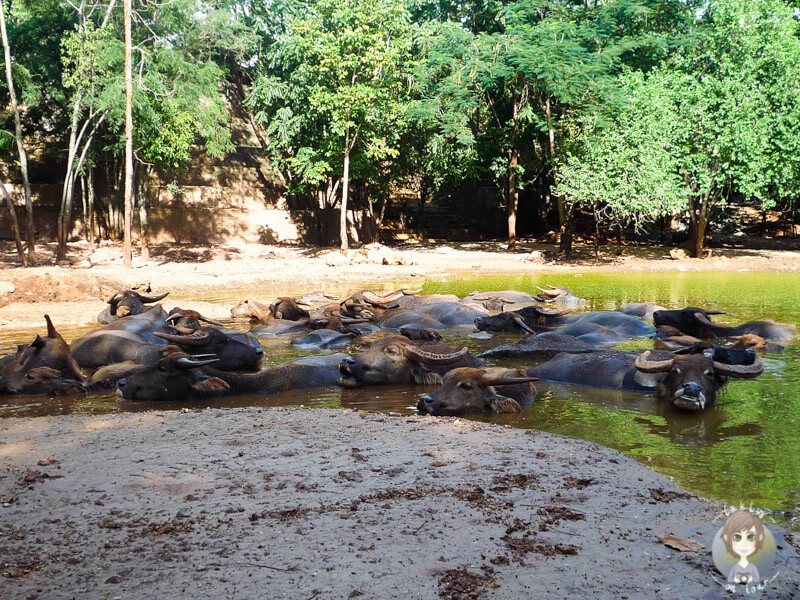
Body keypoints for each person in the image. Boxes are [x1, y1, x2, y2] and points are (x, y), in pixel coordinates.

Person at [721, 511, 765, 584]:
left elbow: (757, 578)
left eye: (751, 537)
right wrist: (736, 579)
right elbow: (730, 579)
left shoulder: (752, 567)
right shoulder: (735, 567)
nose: (744, 543)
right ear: (727, 538)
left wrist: (750, 579)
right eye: (736, 537)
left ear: (759, 538)